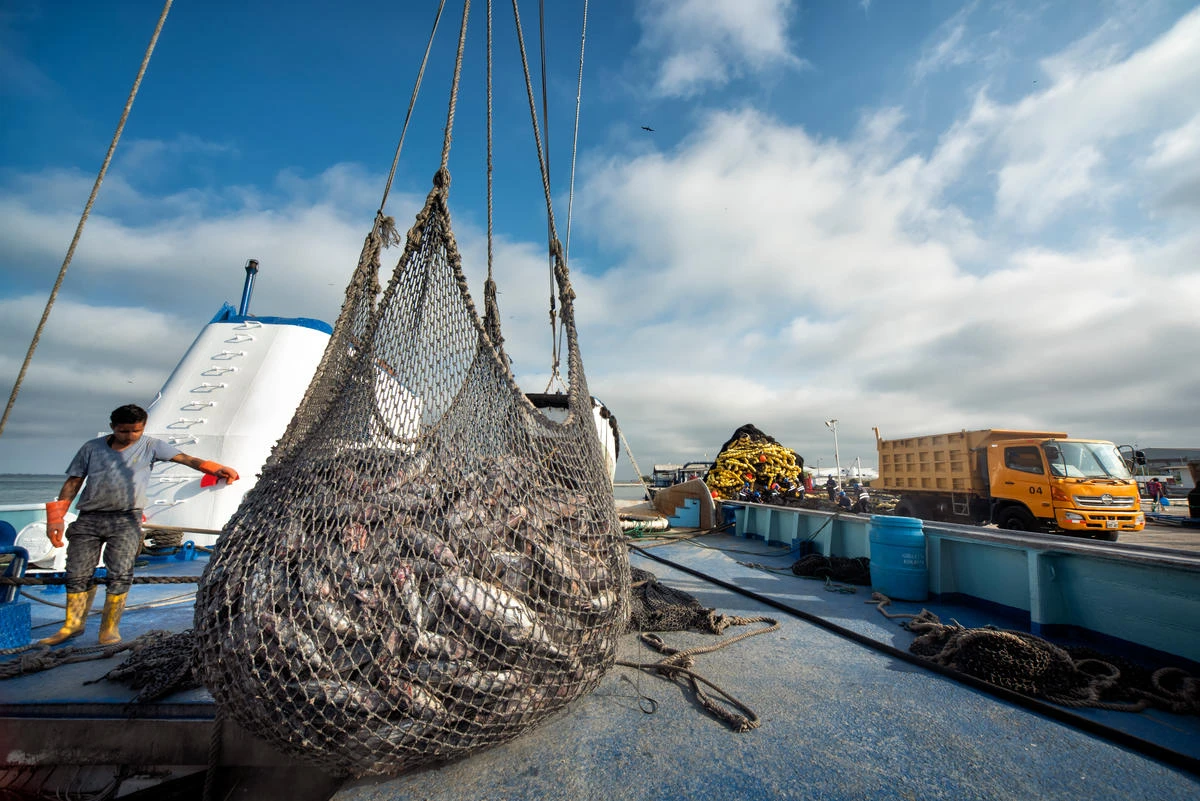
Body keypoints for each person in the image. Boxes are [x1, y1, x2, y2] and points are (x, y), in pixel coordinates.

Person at [40, 404, 240, 646]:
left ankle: (109, 630)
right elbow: (73, 482)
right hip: (89, 519)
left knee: (120, 573)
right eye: (124, 431)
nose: (130, 436)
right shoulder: (91, 449)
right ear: (113, 427)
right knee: (77, 573)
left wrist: (215, 468)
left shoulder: (151, 445)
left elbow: (185, 458)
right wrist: (56, 517)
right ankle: (72, 625)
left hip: (126, 519)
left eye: (136, 431)